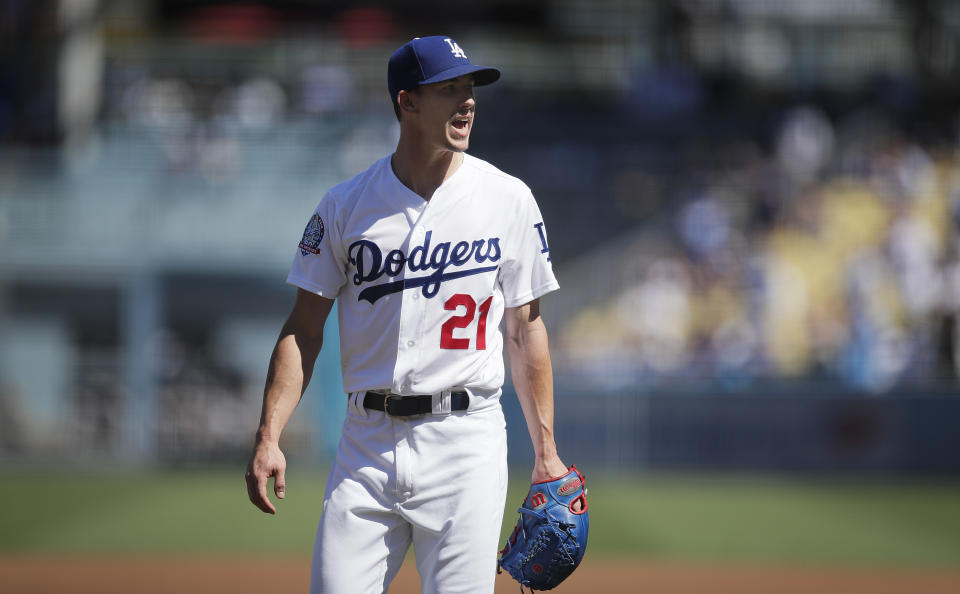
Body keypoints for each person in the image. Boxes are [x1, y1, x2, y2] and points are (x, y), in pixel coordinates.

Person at [244, 35, 569, 593]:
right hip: (365, 445)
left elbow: (525, 330)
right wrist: (269, 433)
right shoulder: (345, 205)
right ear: (407, 102)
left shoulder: (507, 198)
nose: (467, 102)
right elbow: (303, 328)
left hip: (465, 441)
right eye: (450, 90)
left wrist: (547, 451)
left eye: (470, 89)